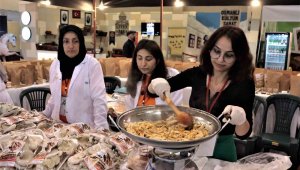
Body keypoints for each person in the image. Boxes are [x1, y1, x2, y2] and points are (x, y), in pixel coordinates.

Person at [148, 26, 255, 162]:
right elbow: (153, 93)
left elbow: (243, 134)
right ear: (209, 49)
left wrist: (241, 120)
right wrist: (154, 85)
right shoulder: (198, 73)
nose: (220, 59)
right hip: (191, 144)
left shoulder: (244, 83)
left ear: (238, 57)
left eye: (229, 55)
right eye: (216, 51)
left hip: (222, 149)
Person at [43, 25, 108, 129]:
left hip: (83, 129)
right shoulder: (55, 64)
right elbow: (54, 96)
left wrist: (101, 129)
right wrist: (44, 114)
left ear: (81, 43)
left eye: (75, 41)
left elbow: (99, 100)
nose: (71, 46)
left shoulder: (92, 65)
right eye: (66, 41)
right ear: (61, 43)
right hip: (58, 127)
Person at [125, 39, 183, 110]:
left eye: (148, 59)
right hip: (138, 119)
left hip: (162, 119)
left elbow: (176, 107)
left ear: (158, 60)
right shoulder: (135, 77)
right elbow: (129, 107)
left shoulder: (172, 75)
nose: (143, 64)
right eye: (139, 58)